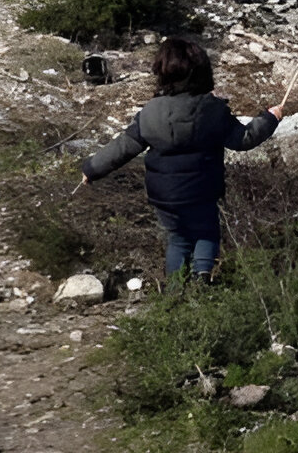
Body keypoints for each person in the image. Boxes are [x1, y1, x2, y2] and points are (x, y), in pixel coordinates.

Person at [80, 38, 286, 279]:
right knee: (206, 234)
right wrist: (270, 119)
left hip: (164, 197)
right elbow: (244, 139)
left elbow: (123, 147)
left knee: (177, 239)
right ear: (202, 72)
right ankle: (202, 281)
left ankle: (175, 293)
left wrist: (91, 169)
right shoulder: (213, 109)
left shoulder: (150, 112)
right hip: (201, 192)